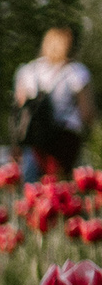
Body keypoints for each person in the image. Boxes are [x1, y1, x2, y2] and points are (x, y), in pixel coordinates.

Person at [13, 26, 95, 180]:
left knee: (34, 187)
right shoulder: (76, 72)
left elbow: (20, 108)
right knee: (62, 186)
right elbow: (87, 113)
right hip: (65, 139)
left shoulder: (28, 71)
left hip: (35, 139)